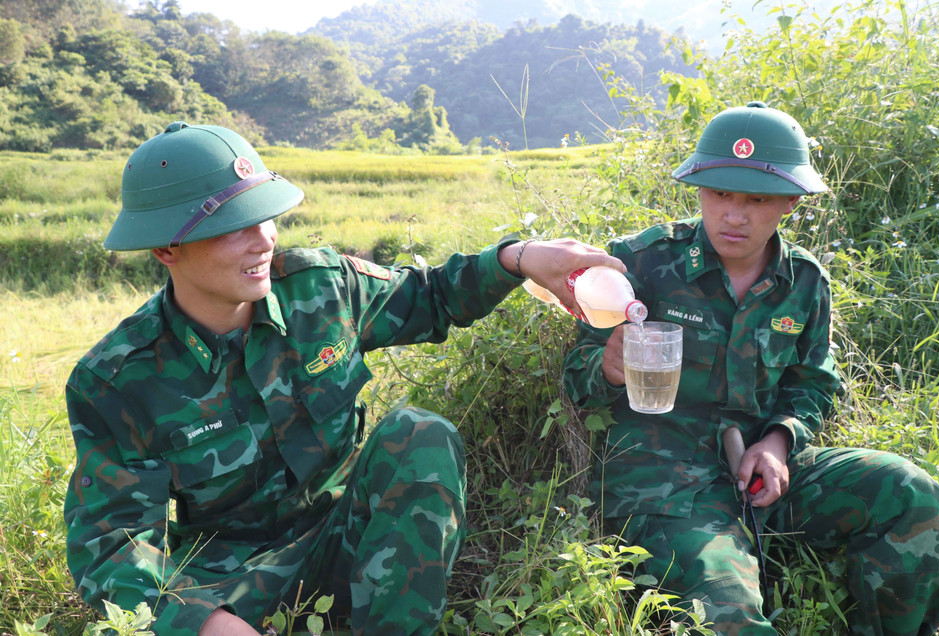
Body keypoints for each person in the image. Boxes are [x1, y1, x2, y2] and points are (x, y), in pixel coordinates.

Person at [63, 121, 624, 636]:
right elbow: (110, 544)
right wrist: (202, 624)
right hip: (234, 587)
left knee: (419, 433)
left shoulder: (319, 289)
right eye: (233, 228)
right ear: (167, 247)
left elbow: (430, 297)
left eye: (265, 216)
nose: (263, 240)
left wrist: (520, 258)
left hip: (352, 538)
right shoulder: (119, 378)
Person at [562, 102, 939, 634]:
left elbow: (812, 382)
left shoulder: (804, 282)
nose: (734, 215)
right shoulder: (642, 263)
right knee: (729, 613)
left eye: (757, 199)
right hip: (667, 488)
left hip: (763, 476)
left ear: (790, 203)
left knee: (908, 492)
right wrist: (607, 367)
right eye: (720, 193)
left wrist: (778, 443)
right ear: (699, 189)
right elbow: (576, 374)